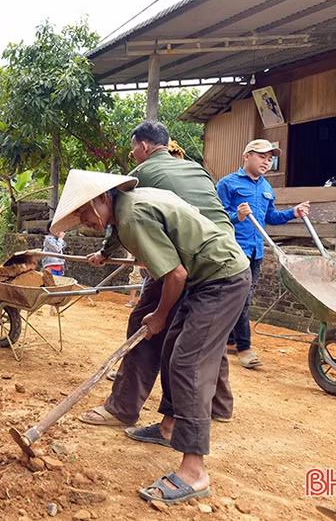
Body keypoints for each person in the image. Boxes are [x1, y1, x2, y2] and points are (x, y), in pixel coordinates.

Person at [52, 169, 250, 505]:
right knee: (172, 348)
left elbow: (176, 274)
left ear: (102, 198)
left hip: (221, 279)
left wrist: (159, 315)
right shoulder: (129, 206)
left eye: (84, 211)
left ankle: (194, 471)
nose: (83, 220)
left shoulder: (131, 216)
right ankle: (168, 426)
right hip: (205, 278)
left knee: (188, 364)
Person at [82, 121, 235, 429]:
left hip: (185, 257)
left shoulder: (141, 176)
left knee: (146, 323)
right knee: (204, 331)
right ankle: (219, 404)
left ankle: (122, 408)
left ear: (144, 147)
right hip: (224, 253)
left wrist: (106, 253)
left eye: (133, 150)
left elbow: (123, 220)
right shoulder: (195, 168)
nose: (133, 156)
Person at [217, 139, 310, 368]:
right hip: (234, 250)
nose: (266, 162)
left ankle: (230, 342)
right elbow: (215, 217)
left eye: (270, 159)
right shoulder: (227, 184)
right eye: (261, 156)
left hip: (256, 251)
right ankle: (244, 348)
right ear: (246, 156)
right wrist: (236, 216)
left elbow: (271, 218)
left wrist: (293, 212)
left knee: (243, 298)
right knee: (241, 299)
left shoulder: (267, 188)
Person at [41, 221, 66, 315]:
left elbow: (61, 251)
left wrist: (62, 267)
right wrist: (60, 239)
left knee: (58, 287)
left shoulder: (56, 240)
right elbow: (57, 249)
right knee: (52, 287)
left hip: (58, 265)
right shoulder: (48, 240)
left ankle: (55, 308)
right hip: (50, 266)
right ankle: (52, 309)